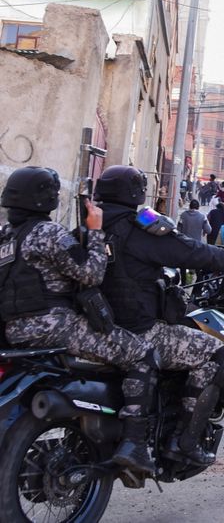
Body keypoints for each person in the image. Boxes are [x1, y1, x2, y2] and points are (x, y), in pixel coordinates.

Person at [94, 165, 224, 465]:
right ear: (135, 192)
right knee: (216, 354)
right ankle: (184, 440)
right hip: (138, 330)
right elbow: (194, 252)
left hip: (95, 332)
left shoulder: (87, 226)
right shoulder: (138, 228)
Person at [0, 166, 160, 474]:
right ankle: (135, 445)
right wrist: (96, 231)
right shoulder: (48, 234)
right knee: (142, 353)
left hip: (15, 333)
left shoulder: (5, 238)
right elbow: (91, 274)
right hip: (56, 327)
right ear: (44, 199)